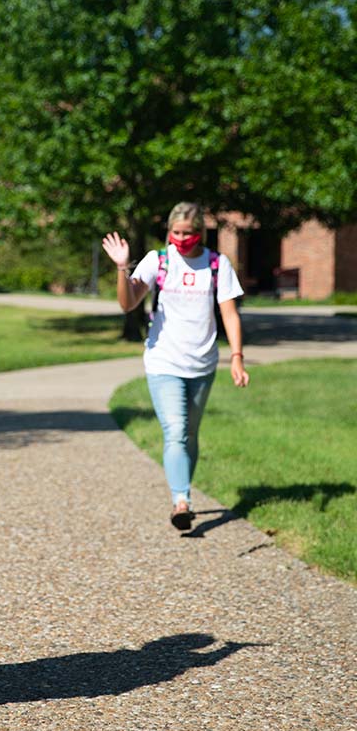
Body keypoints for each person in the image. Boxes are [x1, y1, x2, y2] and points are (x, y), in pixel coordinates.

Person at [102, 202, 249, 531]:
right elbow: (128, 303)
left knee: (190, 433)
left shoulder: (216, 264)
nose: (181, 238)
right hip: (163, 360)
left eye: (188, 233)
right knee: (176, 430)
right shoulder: (159, 260)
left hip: (203, 363)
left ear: (201, 233)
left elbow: (228, 313)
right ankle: (181, 501)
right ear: (169, 231)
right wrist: (123, 268)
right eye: (176, 232)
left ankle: (183, 491)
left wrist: (236, 357)